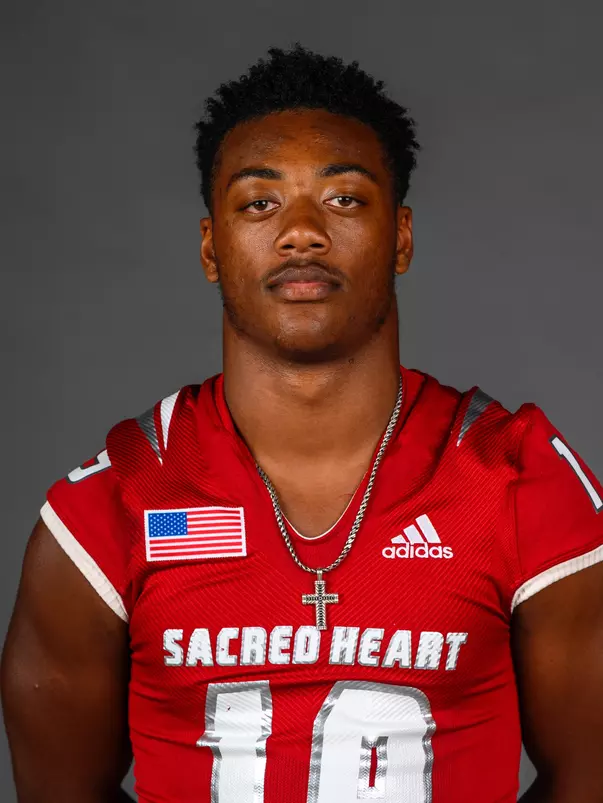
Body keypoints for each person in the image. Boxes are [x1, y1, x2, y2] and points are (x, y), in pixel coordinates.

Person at [3, 44, 603, 803]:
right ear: (210, 247)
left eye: (344, 199)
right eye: (259, 203)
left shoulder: (518, 480)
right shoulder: (109, 509)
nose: (301, 232)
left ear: (401, 237)